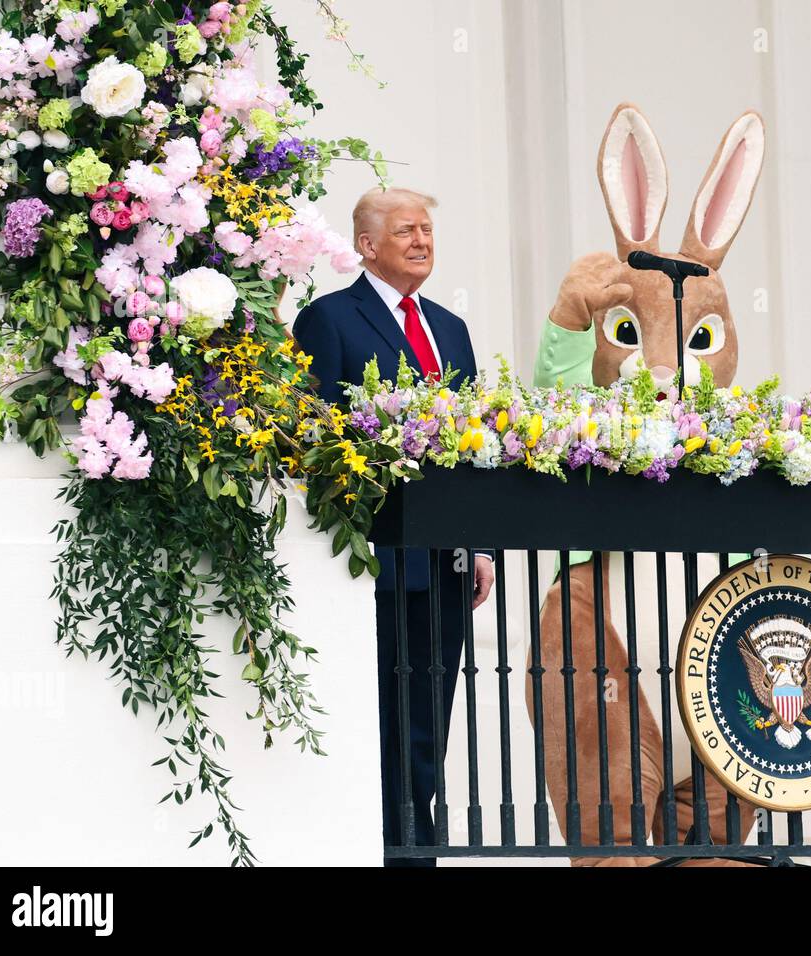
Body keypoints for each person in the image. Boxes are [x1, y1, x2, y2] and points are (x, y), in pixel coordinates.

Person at [293, 187, 494, 866]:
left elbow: (474, 443)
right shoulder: (329, 320)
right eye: (406, 230)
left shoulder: (450, 327)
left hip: (445, 565)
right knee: (382, 725)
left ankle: (415, 849)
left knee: (428, 726)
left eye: (428, 230)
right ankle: (389, 850)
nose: (422, 240)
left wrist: (481, 545)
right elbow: (312, 436)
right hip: (375, 564)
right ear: (367, 245)